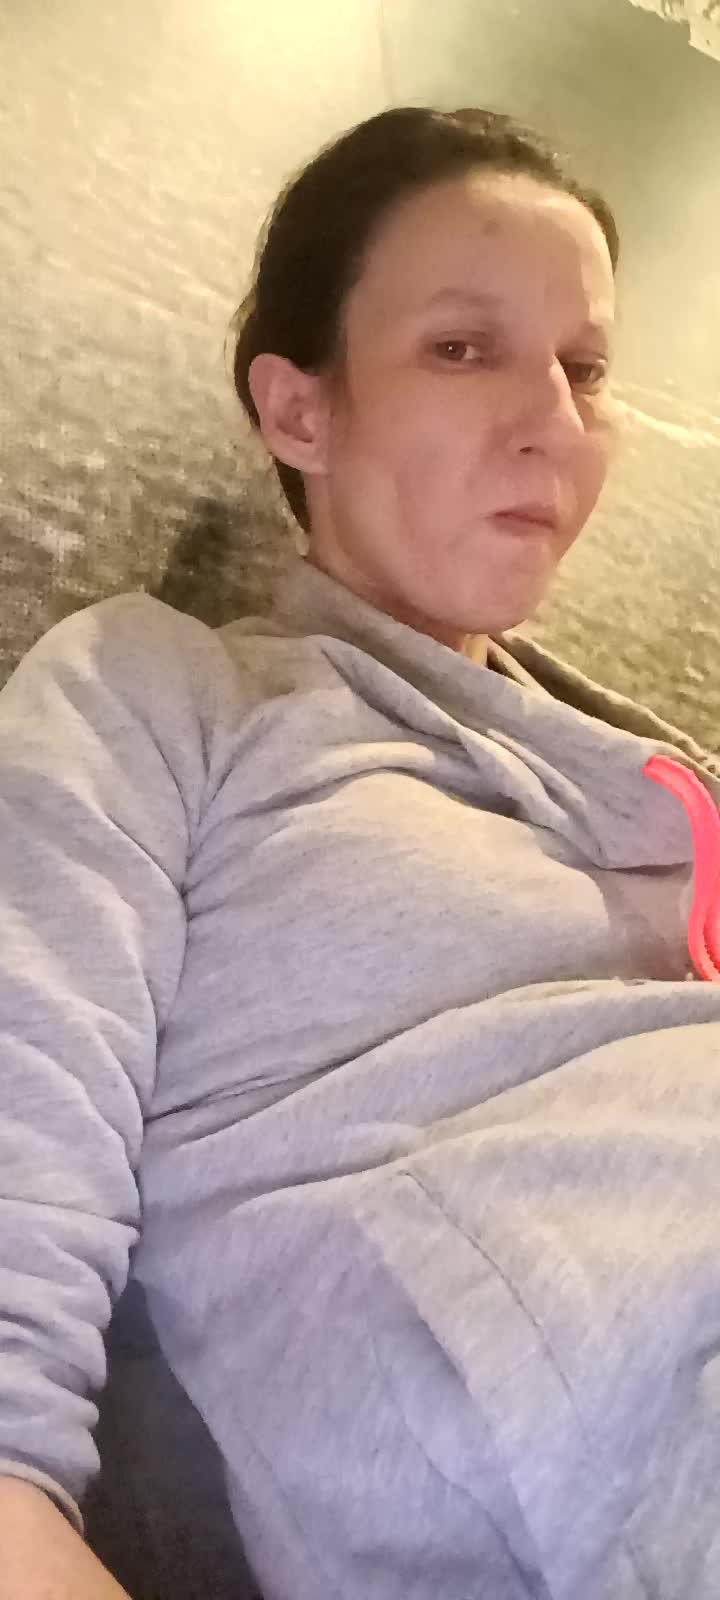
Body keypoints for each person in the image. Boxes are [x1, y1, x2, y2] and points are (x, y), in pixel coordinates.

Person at [1, 104, 719, 1600]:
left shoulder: (672, 791)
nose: (554, 421)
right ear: (299, 411)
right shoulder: (161, 696)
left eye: (585, 369)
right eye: (462, 348)